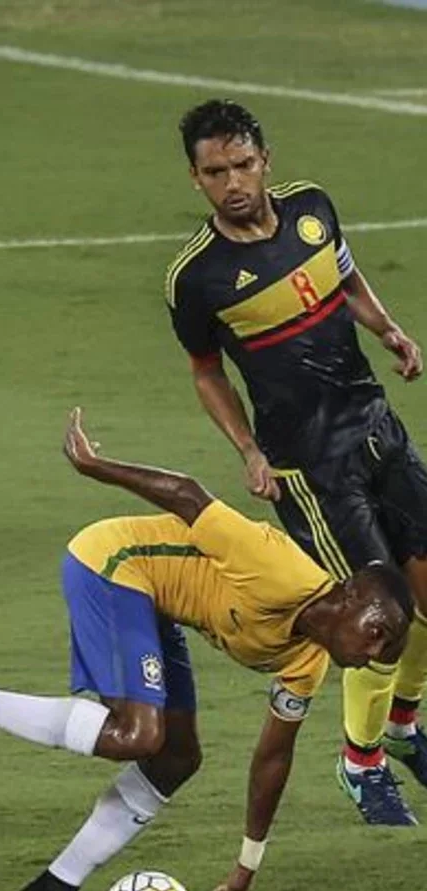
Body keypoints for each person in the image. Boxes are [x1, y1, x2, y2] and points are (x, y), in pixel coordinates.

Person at [0, 410, 413, 891]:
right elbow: (189, 495)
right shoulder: (280, 570)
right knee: (137, 734)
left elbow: (272, 757)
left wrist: (246, 863)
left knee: (176, 759)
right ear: (349, 595)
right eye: (379, 631)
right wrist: (97, 466)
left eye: (389, 647)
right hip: (113, 562)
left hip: (156, 606)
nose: (376, 650)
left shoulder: (309, 661)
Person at [166, 98, 427, 825]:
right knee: (381, 615)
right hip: (311, 469)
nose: (233, 182)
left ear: (265, 160)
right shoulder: (198, 279)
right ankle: (362, 763)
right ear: (196, 179)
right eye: (215, 172)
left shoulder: (314, 210)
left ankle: (403, 728)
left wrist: (389, 329)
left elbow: (345, 280)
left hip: (377, 425)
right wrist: (248, 449)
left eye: (243, 164)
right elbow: (206, 371)